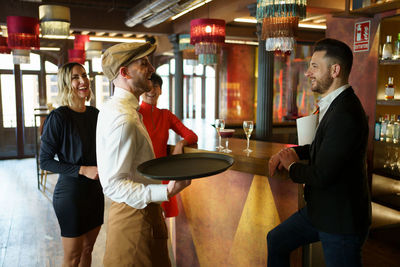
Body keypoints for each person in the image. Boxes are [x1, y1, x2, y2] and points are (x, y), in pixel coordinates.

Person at [267, 38, 371, 267]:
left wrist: (293, 166)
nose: (307, 73)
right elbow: (320, 148)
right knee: (276, 240)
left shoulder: (346, 113)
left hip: (341, 220)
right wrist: (287, 153)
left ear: (335, 70)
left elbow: (323, 175)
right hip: (321, 212)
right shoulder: (335, 104)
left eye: (315, 66)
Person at [97, 42, 191, 267]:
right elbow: (113, 184)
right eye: (144, 63)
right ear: (124, 72)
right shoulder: (124, 119)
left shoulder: (119, 109)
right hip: (133, 218)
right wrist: (166, 190)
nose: (152, 68)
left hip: (142, 213)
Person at [40, 62, 104, 267]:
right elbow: (45, 161)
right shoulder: (59, 117)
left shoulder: (95, 114)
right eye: (75, 77)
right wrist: (82, 170)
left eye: (84, 75)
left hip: (95, 192)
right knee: (73, 257)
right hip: (71, 194)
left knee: (88, 250)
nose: (83, 81)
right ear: (66, 83)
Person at [139, 72, 198, 218]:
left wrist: (181, 144)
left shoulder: (166, 115)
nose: (151, 91)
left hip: (163, 174)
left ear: (161, 90)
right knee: (144, 219)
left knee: (162, 222)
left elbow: (192, 135)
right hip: (141, 174)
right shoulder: (135, 113)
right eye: (148, 87)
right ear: (141, 90)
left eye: (156, 87)